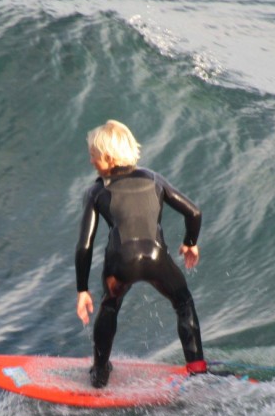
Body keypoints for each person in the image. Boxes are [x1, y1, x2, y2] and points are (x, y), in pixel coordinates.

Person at [75, 120, 207, 388]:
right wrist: (190, 242)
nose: (91, 161)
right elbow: (194, 212)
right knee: (183, 304)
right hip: (156, 257)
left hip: (120, 263)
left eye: (93, 156)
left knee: (109, 307)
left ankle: (100, 374)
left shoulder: (97, 191)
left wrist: (82, 290)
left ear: (108, 158)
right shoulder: (154, 178)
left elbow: (85, 244)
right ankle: (197, 371)